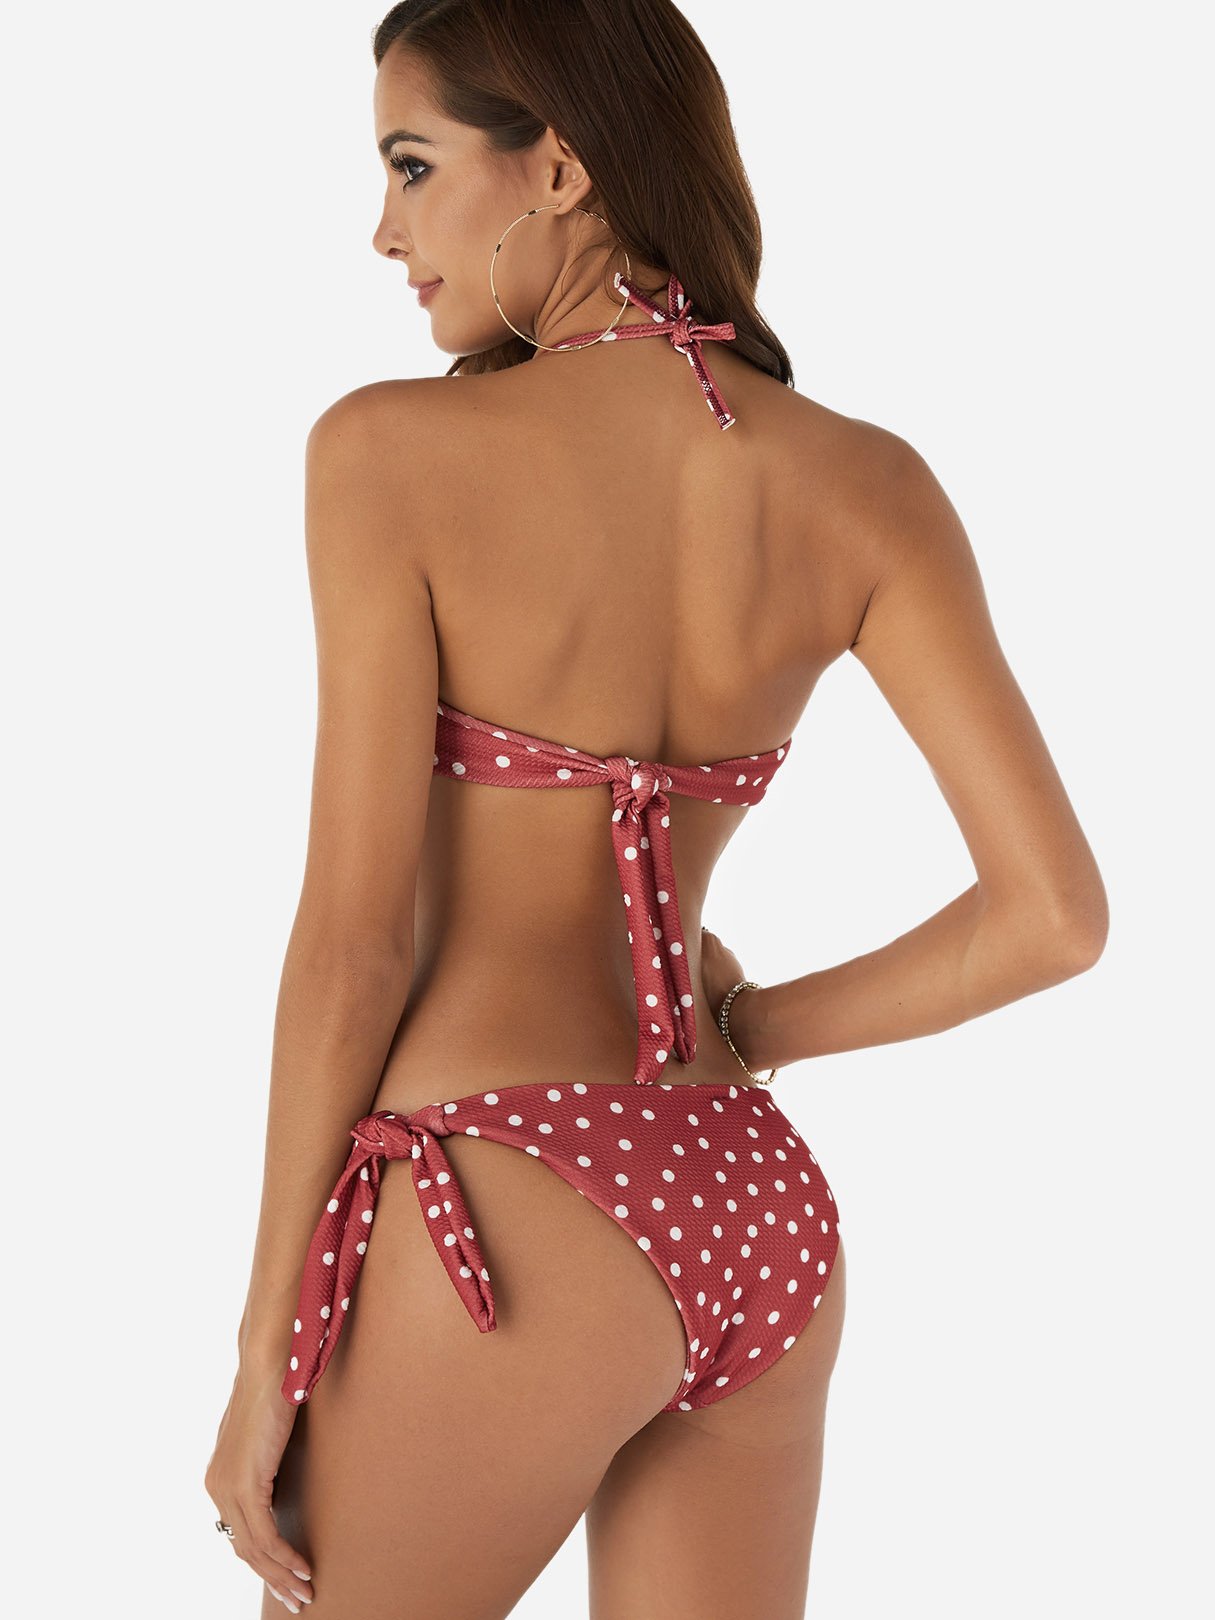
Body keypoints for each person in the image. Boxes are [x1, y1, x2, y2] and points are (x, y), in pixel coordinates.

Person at [204, 1, 1109, 1613]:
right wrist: (748, 1033)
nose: (384, 233)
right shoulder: (866, 483)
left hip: (505, 1196)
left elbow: (354, 948)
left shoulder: (388, 453)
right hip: (751, 1203)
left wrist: (267, 1344)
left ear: (556, 168)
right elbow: (1052, 917)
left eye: (412, 168)